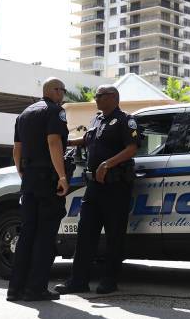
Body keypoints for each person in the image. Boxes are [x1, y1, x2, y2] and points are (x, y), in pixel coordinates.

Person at [55, 85, 139, 295]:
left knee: (114, 235)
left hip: (115, 186)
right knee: (86, 234)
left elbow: (132, 147)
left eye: (99, 96)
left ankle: (109, 280)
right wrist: (64, 142)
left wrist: (107, 164)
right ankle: (78, 281)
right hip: (93, 187)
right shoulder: (97, 119)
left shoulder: (124, 120)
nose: (96, 99)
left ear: (113, 97)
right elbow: (87, 140)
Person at [7, 77, 69, 302]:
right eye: (62, 90)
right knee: (45, 236)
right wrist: (62, 176)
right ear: (54, 91)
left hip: (30, 179)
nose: (63, 94)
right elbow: (54, 142)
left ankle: (15, 289)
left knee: (26, 235)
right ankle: (36, 289)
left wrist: (21, 172)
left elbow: (17, 149)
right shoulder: (54, 111)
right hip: (46, 180)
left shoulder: (24, 114)